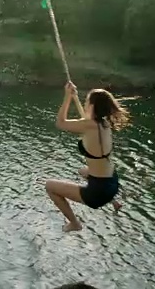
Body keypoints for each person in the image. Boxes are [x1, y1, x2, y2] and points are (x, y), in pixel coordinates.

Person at [45, 81, 130, 232]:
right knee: (83, 171)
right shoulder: (104, 124)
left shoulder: (88, 125)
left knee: (50, 186)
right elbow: (88, 121)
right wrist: (74, 96)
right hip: (112, 182)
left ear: (91, 106)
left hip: (98, 192)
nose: (84, 103)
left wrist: (67, 97)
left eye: (87, 100)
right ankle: (114, 202)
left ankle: (74, 223)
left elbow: (60, 123)